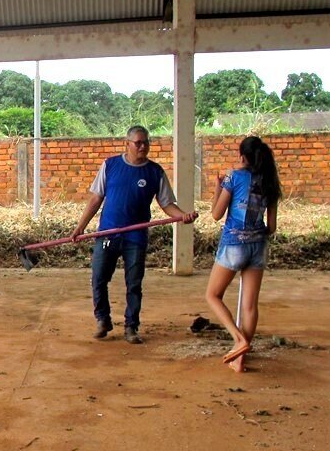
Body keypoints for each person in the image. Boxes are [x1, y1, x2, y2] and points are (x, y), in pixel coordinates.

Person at [71, 126, 196, 343]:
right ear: (126, 144)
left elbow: (167, 204)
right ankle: (103, 319)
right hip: (108, 234)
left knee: (134, 283)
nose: (142, 146)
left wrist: (182, 216)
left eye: (146, 142)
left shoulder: (155, 172)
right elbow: (95, 199)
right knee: (99, 278)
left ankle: (131, 326)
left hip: (135, 237)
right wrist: (81, 226)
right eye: (138, 143)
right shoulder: (111, 166)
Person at [205, 136, 281, 373]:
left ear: (243, 157)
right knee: (249, 306)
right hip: (258, 246)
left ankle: (239, 340)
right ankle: (239, 361)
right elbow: (271, 227)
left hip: (233, 244)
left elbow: (216, 214)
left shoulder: (234, 177)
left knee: (213, 295)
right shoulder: (270, 182)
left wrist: (218, 188)